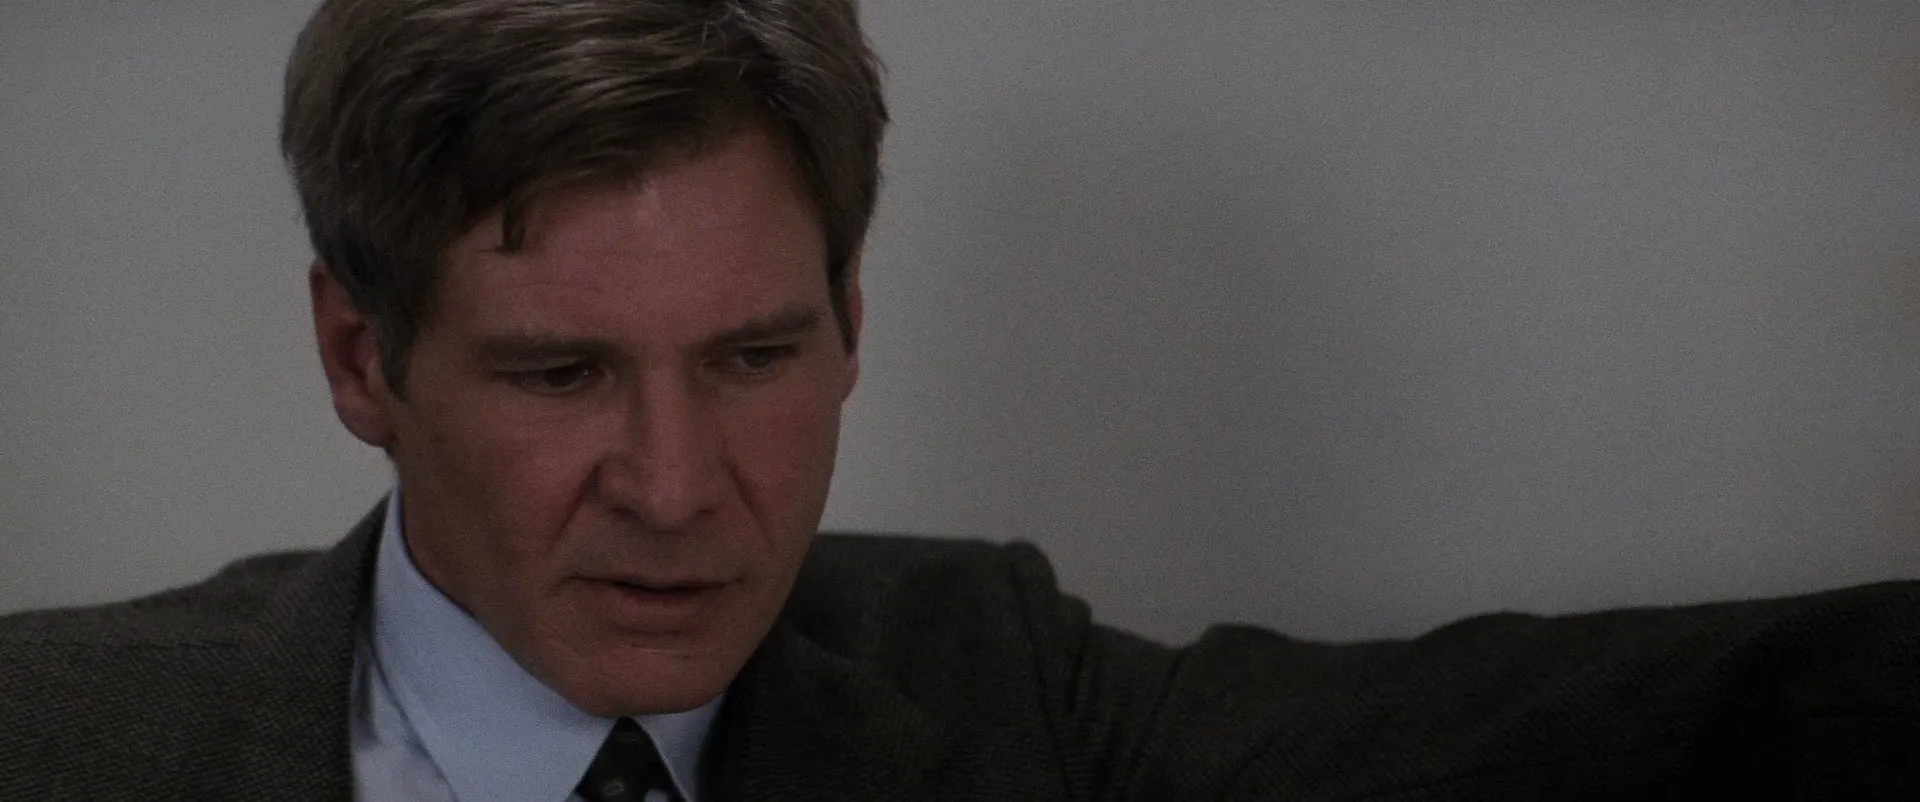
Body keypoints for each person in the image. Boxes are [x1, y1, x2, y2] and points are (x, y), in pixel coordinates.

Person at [3, 1, 1919, 799]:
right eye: (562, 370)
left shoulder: (991, 674)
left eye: (755, 357)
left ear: (849, 318)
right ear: (362, 358)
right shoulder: (53, 736)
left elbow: (1595, 727)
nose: (676, 485)